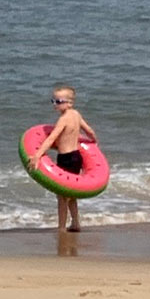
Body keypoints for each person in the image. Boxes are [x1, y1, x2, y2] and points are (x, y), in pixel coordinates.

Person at [27, 86, 98, 232]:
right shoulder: (76, 115)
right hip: (77, 157)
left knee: (61, 197)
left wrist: (37, 155)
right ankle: (76, 223)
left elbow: (51, 138)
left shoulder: (63, 120)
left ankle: (61, 227)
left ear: (70, 103)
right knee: (71, 193)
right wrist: (94, 142)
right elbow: (89, 130)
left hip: (66, 158)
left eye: (59, 101)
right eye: (53, 100)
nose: (55, 104)